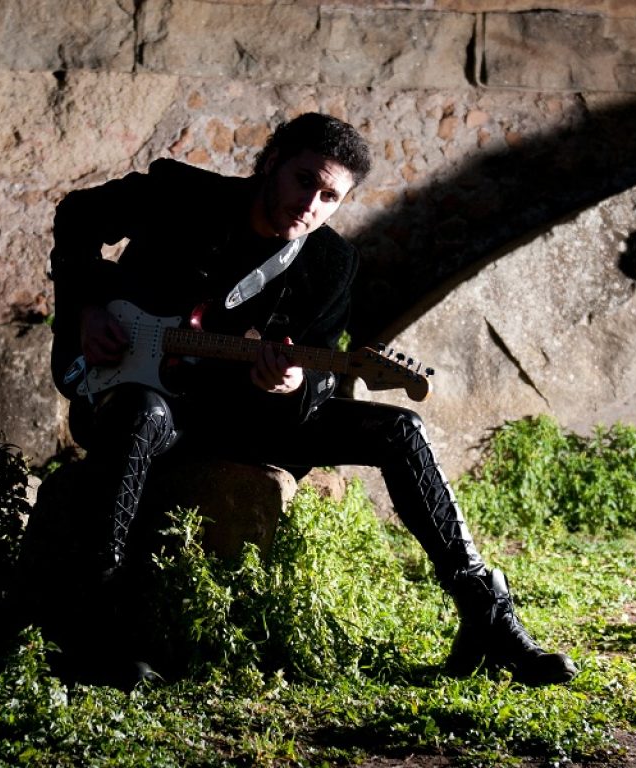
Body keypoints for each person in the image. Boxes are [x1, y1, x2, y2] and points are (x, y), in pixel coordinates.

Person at [45, 112, 577, 688]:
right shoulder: (183, 195)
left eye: (330, 197)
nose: (312, 206)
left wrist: (294, 384)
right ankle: (94, 628)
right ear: (272, 162)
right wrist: (87, 308)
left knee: (402, 430)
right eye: (306, 182)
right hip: (132, 393)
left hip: (239, 415)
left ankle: (488, 615)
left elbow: (321, 370)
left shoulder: (330, 263)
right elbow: (76, 216)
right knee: (141, 411)